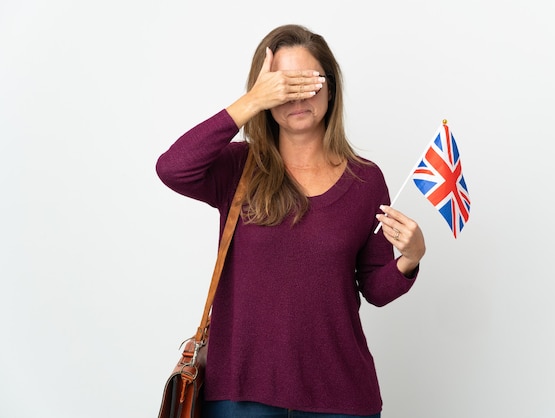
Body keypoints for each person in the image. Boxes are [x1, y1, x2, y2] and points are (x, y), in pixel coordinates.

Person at [156, 24, 426, 418]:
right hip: (239, 397)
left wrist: (410, 258)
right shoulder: (238, 167)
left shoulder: (366, 180)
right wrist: (249, 102)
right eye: (283, 84)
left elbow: (375, 288)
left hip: (341, 400)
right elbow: (172, 168)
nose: (297, 95)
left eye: (309, 81)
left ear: (330, 88)